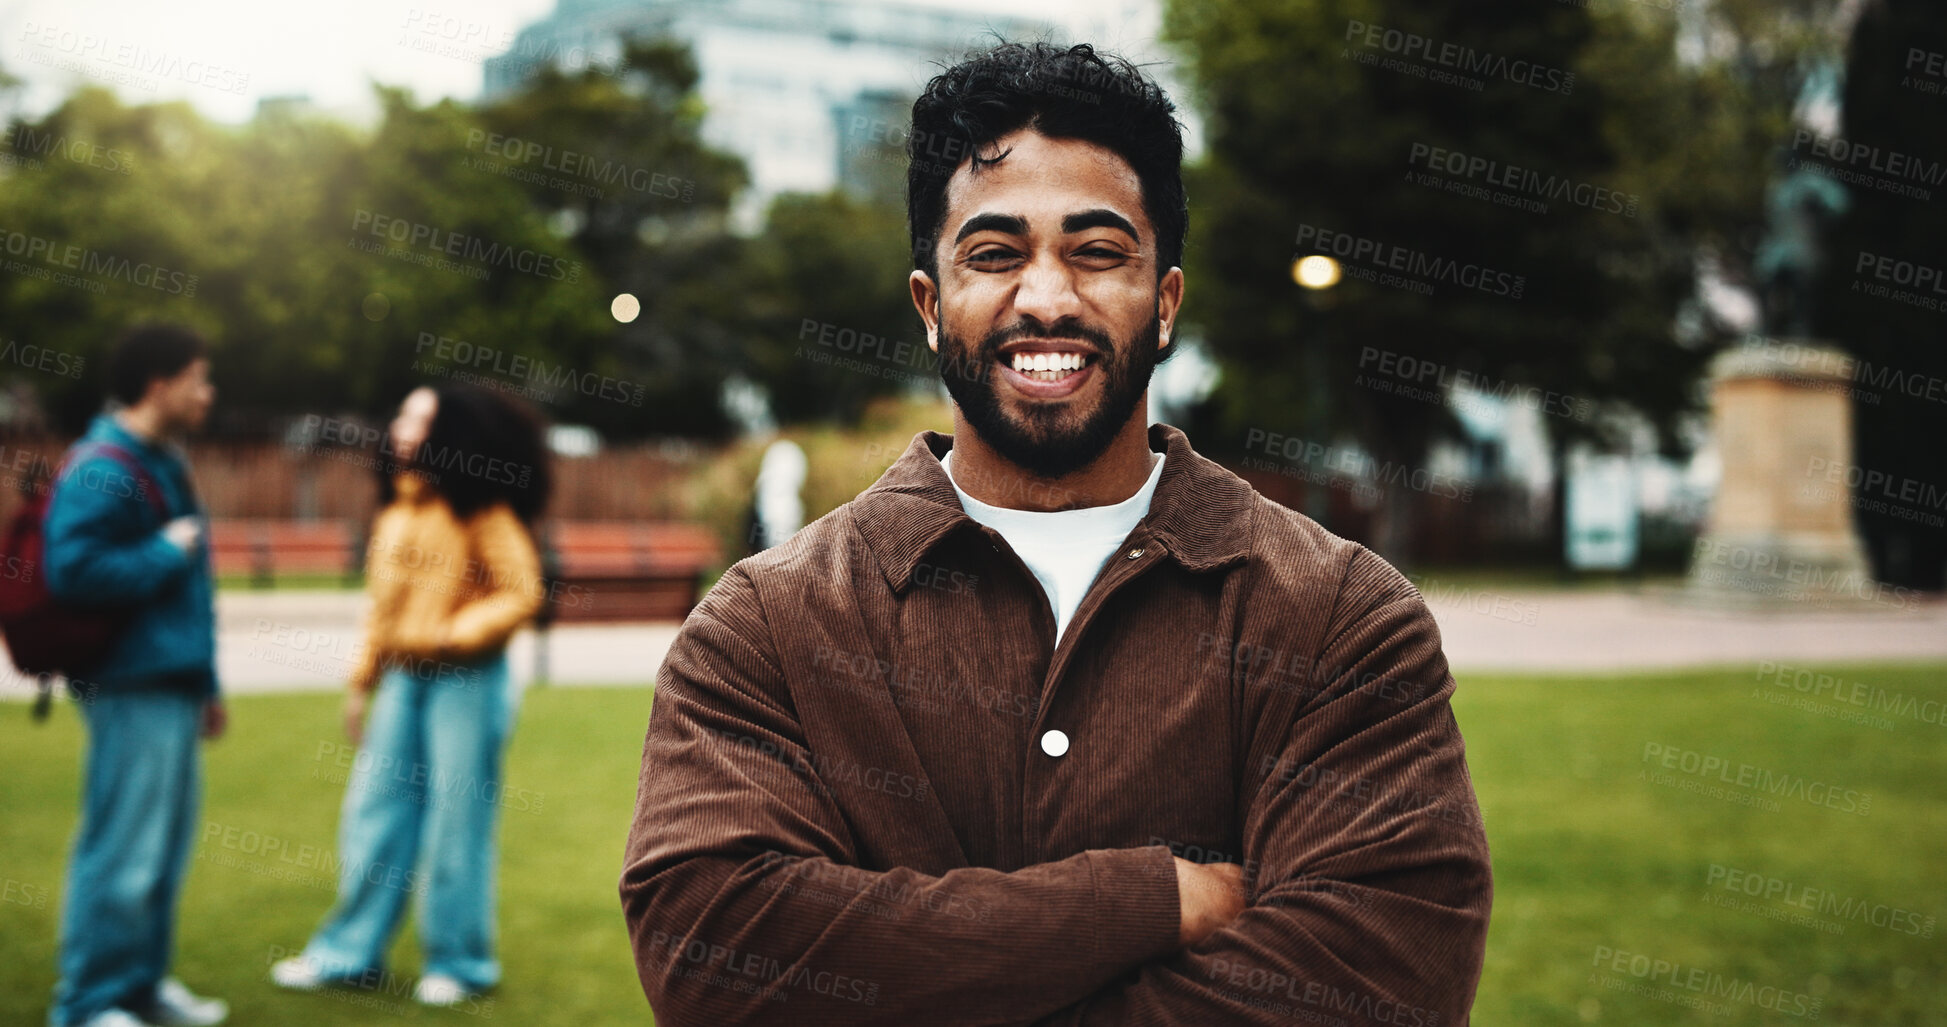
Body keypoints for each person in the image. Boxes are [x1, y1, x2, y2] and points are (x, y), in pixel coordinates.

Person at [621, 41, 1492, 1024]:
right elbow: (717, 962)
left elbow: (1379, 984)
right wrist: (1152, 897)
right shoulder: (765, 627)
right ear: (929, 305)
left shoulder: (1341, 616)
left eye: (1097, 251)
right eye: (994, 255)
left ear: (1164, 302)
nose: (1046, 298)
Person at [271, 383, 548, 1007]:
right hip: (402, 679)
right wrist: (359, 684)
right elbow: (380, 611)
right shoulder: (396, 509)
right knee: (374, 816)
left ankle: (460, 962)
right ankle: (347, 954)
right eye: (401, 414)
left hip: (468, 681)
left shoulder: (482, 508)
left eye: (420, 418)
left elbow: (522, 590)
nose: (402, 427)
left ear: (451, 434)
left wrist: (456, 632)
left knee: (457, 820)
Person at [44, 324, 226, 1027]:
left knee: (161, 851)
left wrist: (206, 684)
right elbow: (72, 571)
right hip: (128, 681)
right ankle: (89, 1002)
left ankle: (140, 989)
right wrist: (162, 551)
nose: (208, 393)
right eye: (199, 378)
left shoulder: (160, 458)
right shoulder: (102, 464)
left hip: (171, 680)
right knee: (121, 849)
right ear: (160, 382)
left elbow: (191, 594)